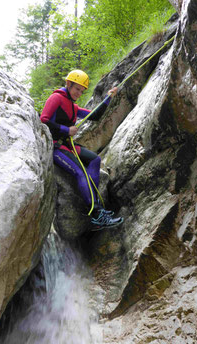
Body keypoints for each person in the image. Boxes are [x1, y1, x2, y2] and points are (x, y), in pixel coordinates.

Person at [40, 69, 123, 230]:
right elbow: (43, 120)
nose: (79, 93)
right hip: (55, 147)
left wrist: (108, 98)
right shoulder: (56, 98)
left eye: (82, 90)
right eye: (77, 88)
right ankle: (96, 213)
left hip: (66, 145)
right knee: (80, 172)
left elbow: (94, 115)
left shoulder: (73, 106)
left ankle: (96, 205)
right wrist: (66, 130)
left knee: (95, 160)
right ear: (69, 84)